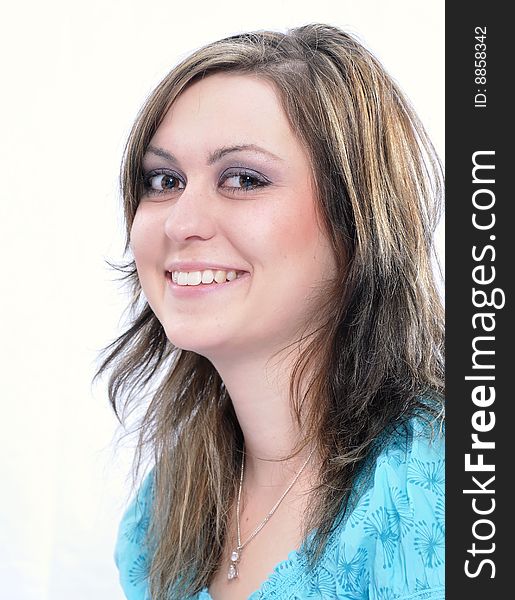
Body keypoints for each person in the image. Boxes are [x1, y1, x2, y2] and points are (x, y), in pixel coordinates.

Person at [98, 23, 445, 600]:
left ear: (355, 221)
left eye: (242, 179)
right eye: (164, 180)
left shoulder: (446, 489)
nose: (181, 223)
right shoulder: (162, 512)